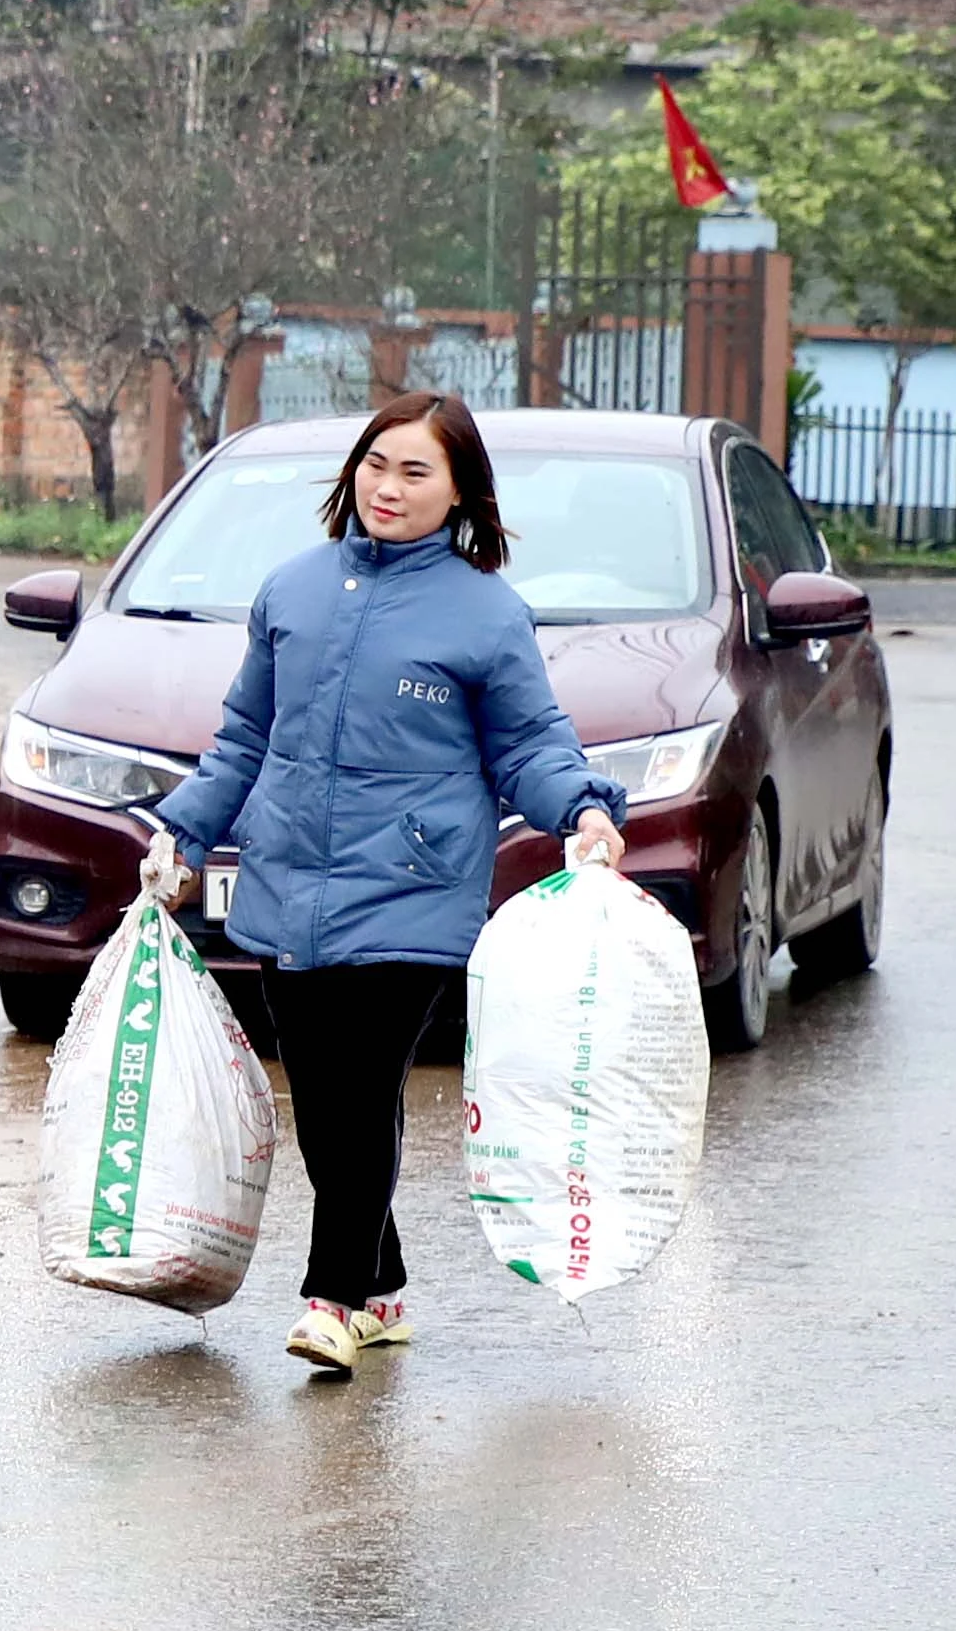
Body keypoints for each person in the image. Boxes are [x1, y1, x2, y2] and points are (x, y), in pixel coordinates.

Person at [141, 391, 630, 1379]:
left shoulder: (486, 613)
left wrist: (582, 809)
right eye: (377, 464)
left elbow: (530, 744)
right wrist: (181, 830)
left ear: (460, 496)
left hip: (412, 888)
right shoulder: (293, 590)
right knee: (323, 1100)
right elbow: (244, 738)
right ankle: (386, 1282)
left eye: (417, 472)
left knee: (362, 1090)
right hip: (286, 881)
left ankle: (330, 1300)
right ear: (351, 472)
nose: (390, 487)